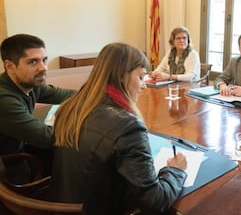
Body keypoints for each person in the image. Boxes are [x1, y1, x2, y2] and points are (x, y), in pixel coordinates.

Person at [49, 43, 188, 215]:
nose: (144, 85)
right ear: (122, 76)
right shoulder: (128, 127)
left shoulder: (71, 106)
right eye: (140, 77)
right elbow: (154, 202)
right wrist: (175, 171)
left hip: (63, 204)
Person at [0, 34, 75, 183]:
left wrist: (100, 94)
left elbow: (64, 95)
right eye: (33, 62)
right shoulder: (4, 99)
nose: (43, 68)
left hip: (23, 152)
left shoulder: (29, 84)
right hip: (10, 171)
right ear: (9, 66)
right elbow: (48, 138)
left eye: (44, 60)